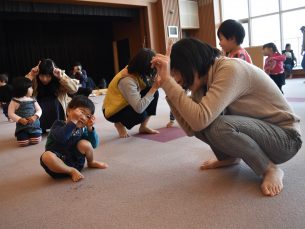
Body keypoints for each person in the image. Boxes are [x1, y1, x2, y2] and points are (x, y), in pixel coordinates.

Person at [151, 38, 302, 197]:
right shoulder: (202, 85)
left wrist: (168, 82)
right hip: (264, 135)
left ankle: (270, 168)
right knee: (204, 121)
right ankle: (229, 158)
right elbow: (192, 128)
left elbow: (199, 119)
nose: (174, 79)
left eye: (174, 71)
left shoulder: (229, 69)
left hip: (285, 139)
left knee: (216, 125)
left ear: (190, 63)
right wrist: (169, 91)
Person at [40, 95, 108, 182]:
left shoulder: (82, 129)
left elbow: (93, 145)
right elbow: (61, 138)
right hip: (58, 167)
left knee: (85, 143)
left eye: (88, 116)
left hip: (76, 162)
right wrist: (73, 122)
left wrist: (90, 128)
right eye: (82, 112)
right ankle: (71, 171)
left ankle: (91, 162)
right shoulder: (58, 125)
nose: (83, 117)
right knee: (46, 156)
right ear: (68, 110)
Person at [103, 48, 159, 138]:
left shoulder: (137, 70)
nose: (153, 70)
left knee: (154, 93)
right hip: (114, 110)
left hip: (127, 102)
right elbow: (139, 108)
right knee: (141, 114)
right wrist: (154, 87)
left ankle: (143, 127)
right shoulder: (127, 80)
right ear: (144, 67)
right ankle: (119, 123)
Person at [26, 58, 78, 133]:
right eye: (42, 76)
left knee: (54, 103)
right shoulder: (34, 75)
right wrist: (31, 75)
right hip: (39, 102)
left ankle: (58, 125)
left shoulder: (59, 74)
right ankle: (40, 127)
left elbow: (74, 89)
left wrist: (61, 77)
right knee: (36, 105)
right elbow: (21, 89)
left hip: (57, 102)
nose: (44, 79)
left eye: (48, 76)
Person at [8, 77, 42, 146]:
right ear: (23, 89)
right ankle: (23, 134)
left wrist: (35, 116)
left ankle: (35, 133)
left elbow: (39, 110)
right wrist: (19, 119)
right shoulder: (15, 101)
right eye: (31, 88)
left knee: (36, 140)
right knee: (23, 142)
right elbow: (10, 113)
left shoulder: (33, 99)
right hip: (21, 127)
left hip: (34, 126)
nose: (32, 89)